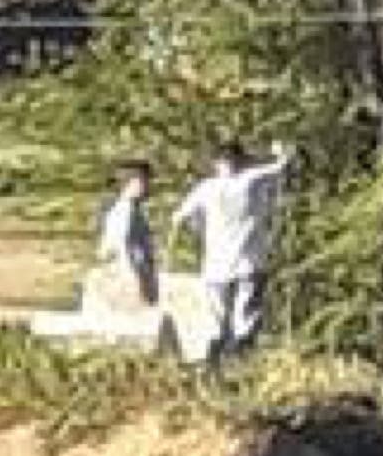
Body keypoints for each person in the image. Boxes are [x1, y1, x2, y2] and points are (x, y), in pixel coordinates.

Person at [170, 140, 296, 362]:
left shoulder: (206, 188)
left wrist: (199, 228)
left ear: (217, 163)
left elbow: (179, 217)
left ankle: (215, 358)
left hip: (216, 264)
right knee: (244, 316)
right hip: (249, 262)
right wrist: (280, 151)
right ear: (241, 161)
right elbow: (281, 167)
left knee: (216, 317)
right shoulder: (251, 179)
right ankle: (239, 356)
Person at [97, 159, 159, 305]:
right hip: (130, 275)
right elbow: (115, 245)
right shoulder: (123, 210)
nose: (146, 186)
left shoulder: (134, 209)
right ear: (133, 183)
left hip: (138, 273)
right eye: (144, 182)